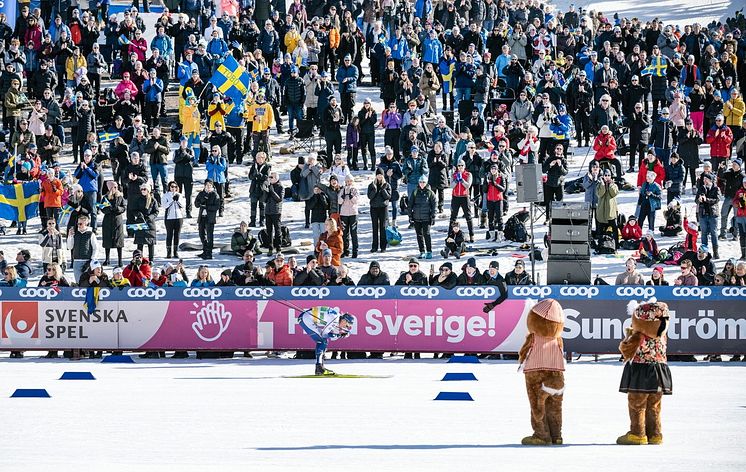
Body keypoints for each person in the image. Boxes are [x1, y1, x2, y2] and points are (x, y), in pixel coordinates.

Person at [297, 306, 355, 375]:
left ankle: (320, 367)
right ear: (344, 320)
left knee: (323, 341)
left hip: (306, 317)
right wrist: (338, 335)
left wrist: (337, 334)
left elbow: (330, 334)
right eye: (347, 325)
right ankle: (319, 368)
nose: (346, 327)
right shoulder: (335, 319)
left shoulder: (336, 317)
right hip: (306, 319)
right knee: (322, 341)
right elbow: (324, 334)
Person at [100, 181, 126, 267]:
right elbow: (102, 208)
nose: (115, 189)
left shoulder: (120, 197)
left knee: (119, 240)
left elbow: (124, 207)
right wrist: (109, 209)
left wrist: (117, 208)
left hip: (117, 220)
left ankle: (120, 259)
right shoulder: (105, 198)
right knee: (107, 240)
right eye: (113, 187)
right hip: (107, 220)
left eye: (116, 187)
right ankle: (107, 259)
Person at [67, 214, 99, 283]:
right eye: (78, 223)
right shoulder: (75, 233)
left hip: (87, 261)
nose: (79, 225)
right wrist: (70, 236)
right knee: (79, 282)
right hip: (76, 261)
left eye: (80, 223)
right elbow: (70, 247)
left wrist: (92, 260)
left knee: (88, 282)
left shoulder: (91, 234)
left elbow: (95, 248)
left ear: (86, 223)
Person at [410, 175, 437, 259]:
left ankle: (429, 251)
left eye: (423, 182)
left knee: (427, 234)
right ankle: (422, 251)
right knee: (419, 235)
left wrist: (433, 216)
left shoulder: (430, 193)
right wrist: (410, 216)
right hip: (416, 217)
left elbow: (434, 205)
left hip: (426, 217)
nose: (422, 184)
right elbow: (410, 204)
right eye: (420, 182)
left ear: (426, 182)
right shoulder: (415, 192)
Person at [132, 183, 159, 262]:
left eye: (144, 189)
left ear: (148, 190)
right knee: (140, 243)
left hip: (150, 223)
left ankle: (151, 260)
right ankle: (139, 259)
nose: (143, 191)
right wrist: (138, 214)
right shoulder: (137, 199)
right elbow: (133, 210)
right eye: (141, 189)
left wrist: (150, 217)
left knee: (151, 243)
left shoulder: (153, 200)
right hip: (140, 223)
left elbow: (156, 211)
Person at [696, 172, 721, 259]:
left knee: (714, 233)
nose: (705, 181)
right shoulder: (701, 188)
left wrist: (706, 200)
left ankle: (716, 252)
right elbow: (696, 200)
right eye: (704, 179)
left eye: (706, 179)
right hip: (703, 214)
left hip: (712, 214)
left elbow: (717, 200)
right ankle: (704, 252)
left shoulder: (716, 188)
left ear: (710, 180)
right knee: (704, 233)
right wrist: (699, 200)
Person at [195, 179, 221, 260]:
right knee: (201, 234)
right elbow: (196, 203)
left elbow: (217, 206)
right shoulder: (201, 193)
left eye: (210, 185)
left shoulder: (215, 195)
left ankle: (209, 252)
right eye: (207, 185)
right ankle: (205, 250)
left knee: (210, 235)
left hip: (210, 218)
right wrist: (201, 202)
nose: (208, 187)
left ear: (212, 186)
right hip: (202, 217)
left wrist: (207, 207)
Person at [368, 168, 392, 253]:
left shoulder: (387, 185)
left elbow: (388, 197)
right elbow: (370, 197)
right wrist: (374, 190)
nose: (379, 176)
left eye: (381, 175)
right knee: (374, 227)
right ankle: (374, 246)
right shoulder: (372, 185)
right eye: (378, 175)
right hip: (374, 207)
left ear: (383, 176)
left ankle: (383, 246)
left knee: (383, 227)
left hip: (383, 208)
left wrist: (383, 190)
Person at [596, 169, 620, 250]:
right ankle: (600, 244)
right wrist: (602, 185)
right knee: (600, 228)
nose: (607, 177)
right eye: (605, 175)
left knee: (615, 228)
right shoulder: (599, 184)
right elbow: (600, 194)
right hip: (601, 211)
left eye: (608, 175)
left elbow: (614, 193)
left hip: (611, 211)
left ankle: (616, 244)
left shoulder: (614, 185)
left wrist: (610, 185)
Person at [263, 171, 284, 256]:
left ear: (276, 178)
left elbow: (279, 199)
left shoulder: (280, 187)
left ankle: (278, 248)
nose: (270, 179)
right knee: (269, 230)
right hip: (268, 211)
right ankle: (270, 248)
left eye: (272, 177)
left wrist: (272, 191)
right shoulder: (268, 186)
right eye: (269, 177)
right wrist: (265, 190)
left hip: (276, 212)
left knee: (277, 230)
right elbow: (264, 199)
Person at [163, 181, 185, 259]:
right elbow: (164, 206)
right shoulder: (165, 195)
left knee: (177, 234)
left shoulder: (180, 195)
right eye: (172, 186)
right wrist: (172, 200)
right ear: (169, 187)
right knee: (169, 235)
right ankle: (168, 252)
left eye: (175, 187)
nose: (174, 188)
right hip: (169, 218)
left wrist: (177, 200)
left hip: (178, 217)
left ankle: (175, 252)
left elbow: (182, 205)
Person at [338, 175, 359, 258]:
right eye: (347, 181)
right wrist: (343, 197)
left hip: (353, 213)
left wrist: (351, 196)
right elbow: (339, 201)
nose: (348, 183)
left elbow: (356, 201)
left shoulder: (355, 189)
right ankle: (345, 250)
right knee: (344, 233)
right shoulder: (342, 190)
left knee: (354, 233)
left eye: (350, 181)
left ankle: (355, 251)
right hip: (344, 214)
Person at [248, 151, 270, 228]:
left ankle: (262, 221)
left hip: (262, 189)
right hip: (254, 188)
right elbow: (250, 176)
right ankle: (252, 221)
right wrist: (254, 175)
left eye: (261, 157)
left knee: (262, 206)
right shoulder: (254, 166)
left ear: (264, 158)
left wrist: (259, 175)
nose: (259, 159)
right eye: (257, 157)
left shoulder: (267, 166)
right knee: (253, 205)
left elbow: (266, 177)